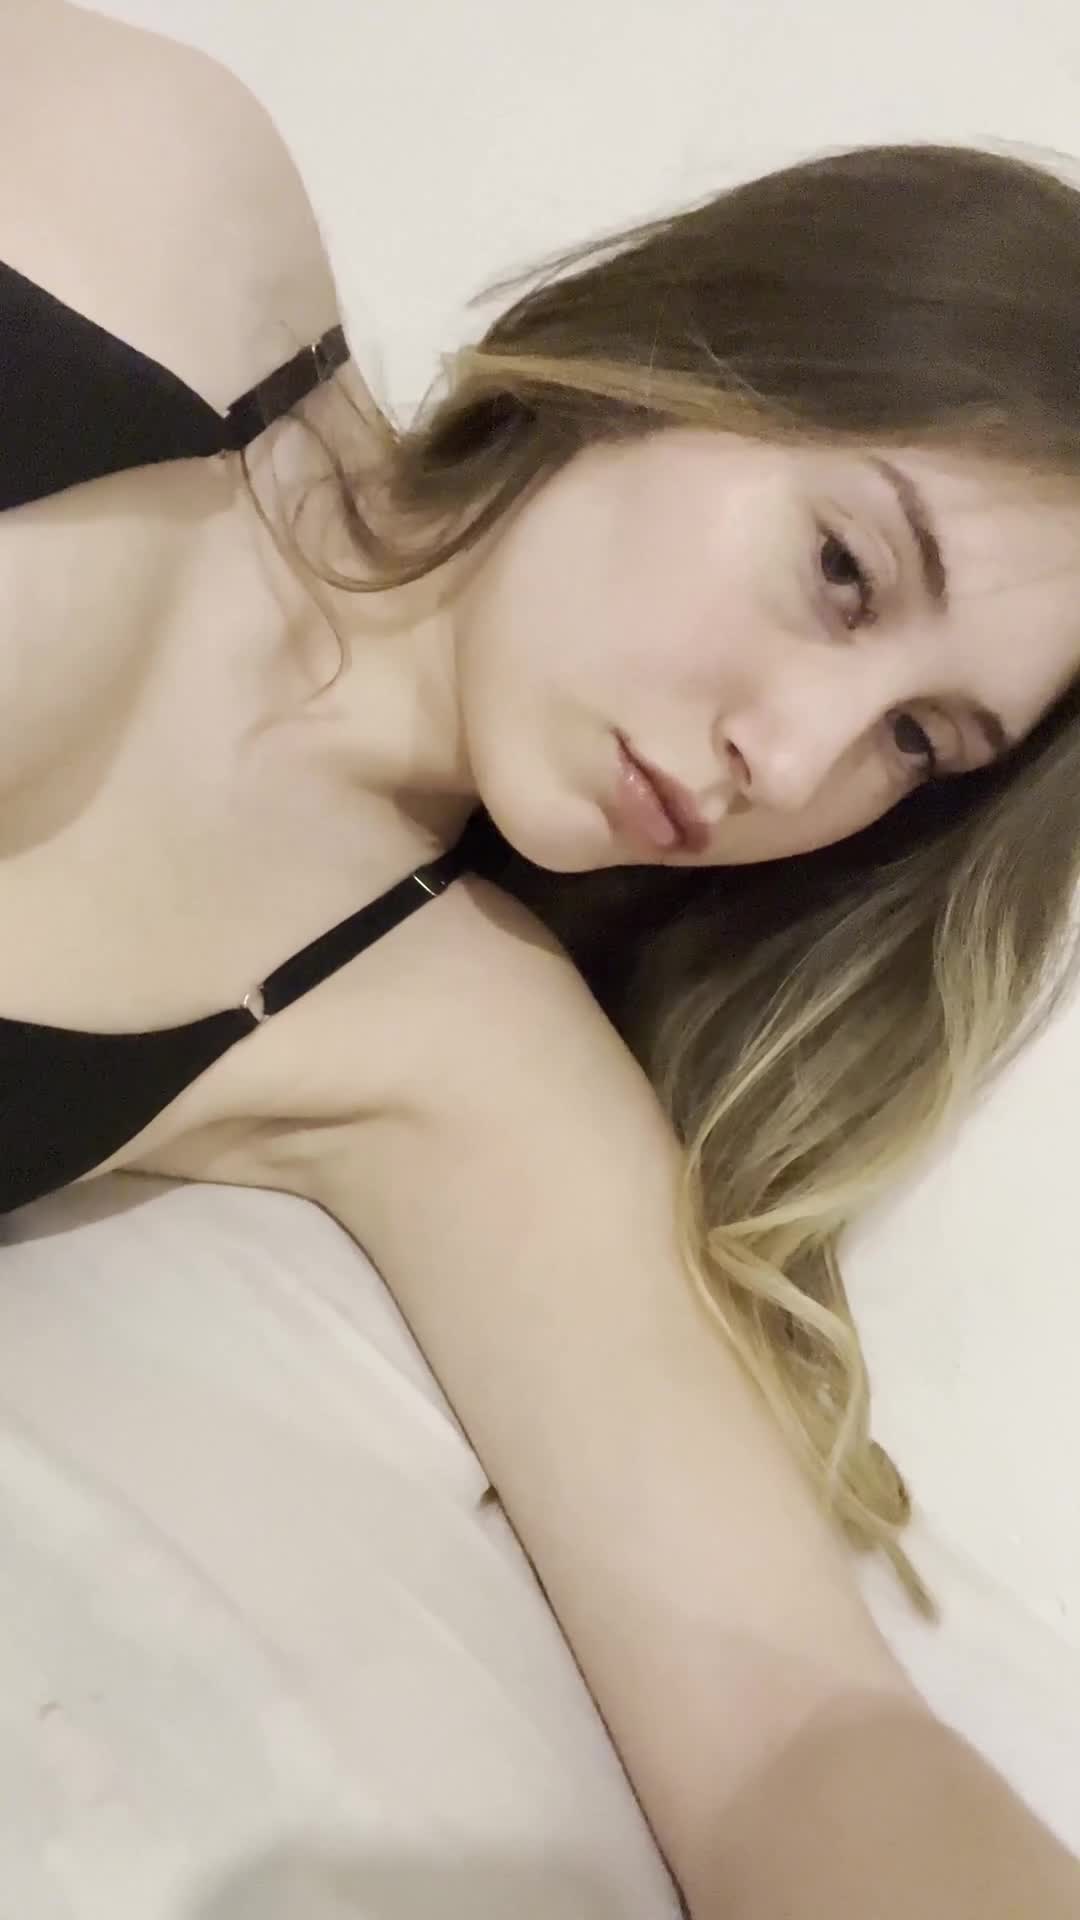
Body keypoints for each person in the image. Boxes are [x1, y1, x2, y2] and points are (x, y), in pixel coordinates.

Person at [3, 4, 1080, 1913]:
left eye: (918, 742)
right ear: (694, 348)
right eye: (844, 570)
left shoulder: (452, 1042)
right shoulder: (159, 199)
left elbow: (800, 1736)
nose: (795, 760)